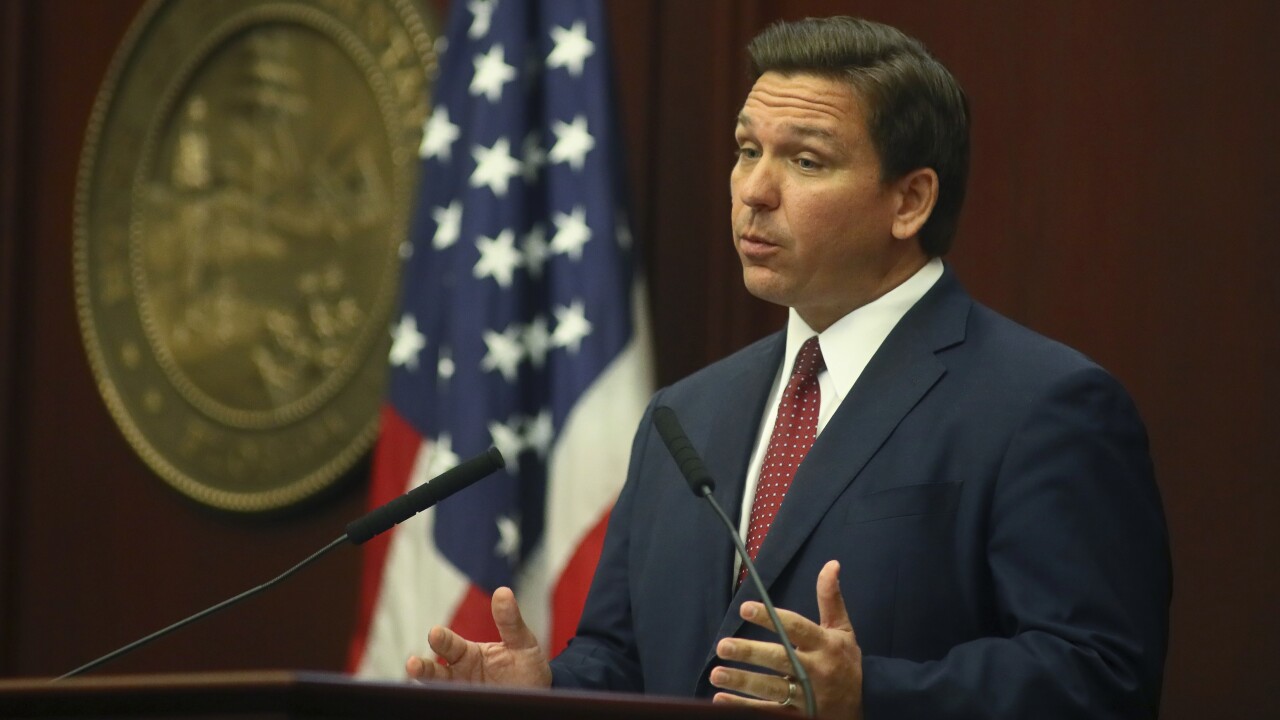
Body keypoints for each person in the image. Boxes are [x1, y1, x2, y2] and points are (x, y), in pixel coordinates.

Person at [406, 16, 1171, 719]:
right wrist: (546, 694)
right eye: (747, 150)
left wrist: (871, 695)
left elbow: (1100, 678)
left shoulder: (1044, 406)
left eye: (805, 160)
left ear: (910, 201)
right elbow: (626, 659)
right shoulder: (684, 414)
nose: (754, 192)